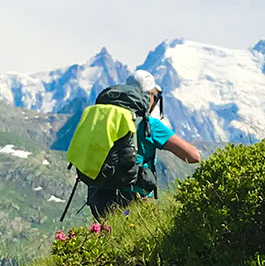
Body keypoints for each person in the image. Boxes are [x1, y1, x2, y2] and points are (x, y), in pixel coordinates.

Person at [84, 70, 201, 218]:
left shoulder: (104, 121)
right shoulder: (149, 125)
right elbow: (193, 156)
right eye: (155, 96)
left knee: (114, 237)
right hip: (135, 200)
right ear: (149, 96)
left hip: (99, 197)